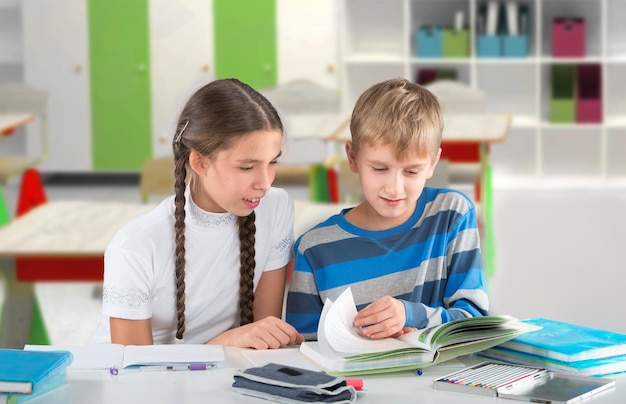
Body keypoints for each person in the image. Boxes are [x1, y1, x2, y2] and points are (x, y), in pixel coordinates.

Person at [91, 78, 304, 349]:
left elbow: (265, 339)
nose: (265, 182)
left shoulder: (275, 208)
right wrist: (222, 345)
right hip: (124, 381)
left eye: (271, 163)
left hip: (216, 373)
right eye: (247, 167)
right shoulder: (136, 244)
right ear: (200, 162)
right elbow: (135, 376)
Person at [285, 78, 488, 341]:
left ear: (432, 163)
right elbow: (303, 347)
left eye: (411, 171)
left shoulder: (451, 215)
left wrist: (410, 314)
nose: (394, 188)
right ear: (352, 157)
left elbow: (475, 323)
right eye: (380, 169)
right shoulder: (313, 249)